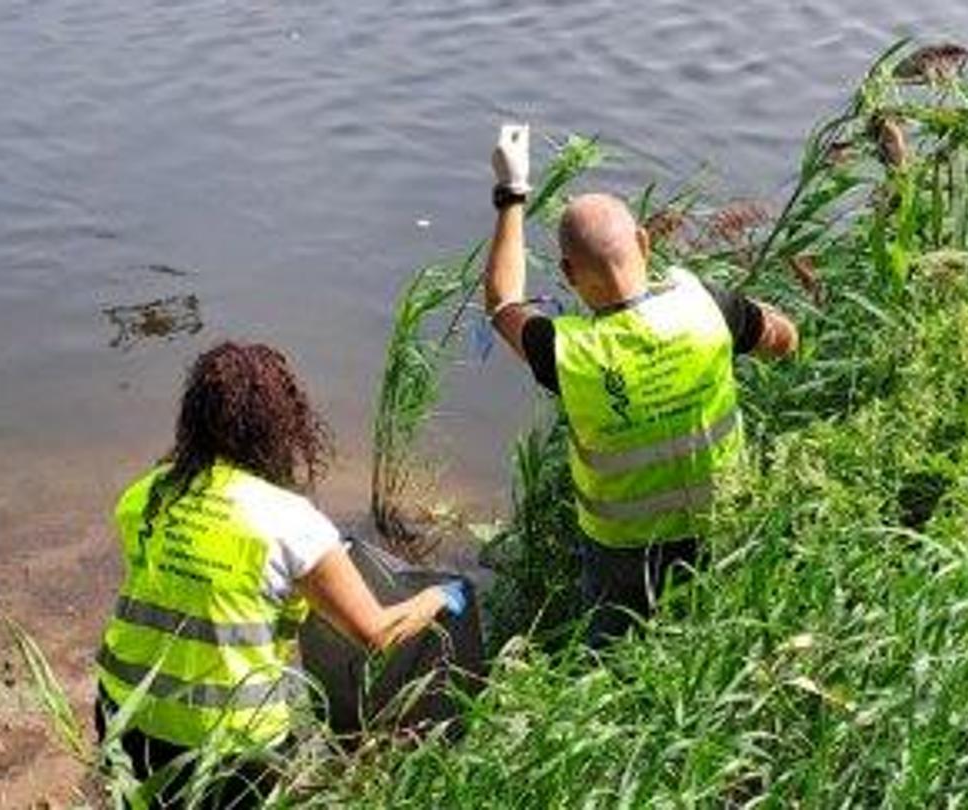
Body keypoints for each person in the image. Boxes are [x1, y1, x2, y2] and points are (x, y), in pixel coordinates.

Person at [94, 341, 467, 808]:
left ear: (192, 420)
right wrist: (439, 596)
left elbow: (200, 584)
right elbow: (376, 633)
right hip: (228, 747)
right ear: (279, 426)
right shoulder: (291, 523)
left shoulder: (143, 495)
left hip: (123, 713)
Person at [481, 125, 800, 647]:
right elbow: (783, 339)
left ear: (567, 274)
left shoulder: (568, 351)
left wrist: (512, 191)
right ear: (644, 243)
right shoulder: (705, 307)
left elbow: (501, 303)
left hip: (622, 551)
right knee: (716, 635)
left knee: (612, 654)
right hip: (721, 523)